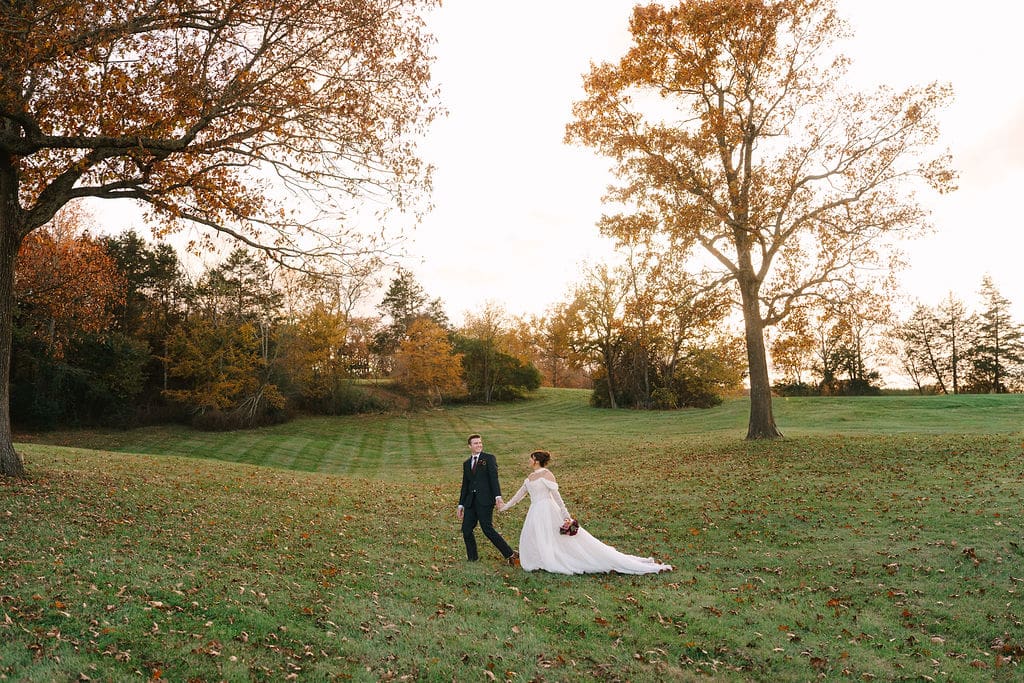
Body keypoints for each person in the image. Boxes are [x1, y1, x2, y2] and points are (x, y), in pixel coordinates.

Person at [498, 450, 672, 575]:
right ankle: (539, 560)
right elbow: (518, 496)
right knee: (535, 536)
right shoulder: (529, 477)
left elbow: (557, 496)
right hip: (535, 510)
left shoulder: (547, 475)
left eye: (531, 458)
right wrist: (504, 507)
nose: (529, 460)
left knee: (555, 537)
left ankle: (555, 559)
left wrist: (566, 515)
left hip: (548, 509)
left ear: (536, 460)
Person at [457, 434, 519, 566]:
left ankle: (511, 554)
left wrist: (498, 497)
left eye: (480, 443)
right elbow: (465, 485)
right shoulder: (466, 464)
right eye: (475, 443)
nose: (479, 445)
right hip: (470, 502)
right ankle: (472, 558)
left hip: (485, 500)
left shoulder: (489, 459)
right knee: (466, 529)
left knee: (487, 529)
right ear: (470, 446)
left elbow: (493, 479)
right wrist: (461, 505)